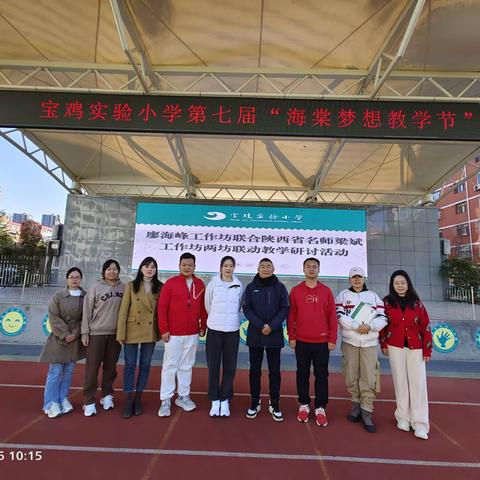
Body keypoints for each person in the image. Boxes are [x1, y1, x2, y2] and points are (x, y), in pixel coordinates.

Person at [379, 270, 433, 440]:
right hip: (394, 347)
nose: (400, 286)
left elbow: (426, 327)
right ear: (392, 285)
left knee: (418, 385)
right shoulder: (387, 302)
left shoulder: (417, 304)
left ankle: (420, 423)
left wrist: (427, 349)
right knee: (400, 383)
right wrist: (383, 344)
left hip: (415, 348)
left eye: (402, 282)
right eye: (396, 283)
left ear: (408, 283)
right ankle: (403, 417)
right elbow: (382, 325)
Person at [335, 266, 387, 433]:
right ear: (349, 279)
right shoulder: (343, 295)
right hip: (350, 342)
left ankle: (367, 410)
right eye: (353, 277)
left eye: (360, 277)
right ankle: (355, 404)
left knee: (369, 377)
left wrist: (370, 327)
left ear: (364, 278)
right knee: (351, 376)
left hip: (369, 343)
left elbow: (383, 317)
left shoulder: (373, 296)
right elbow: (339, 315)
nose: (357, 280)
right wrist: (356, 326)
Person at [287, 258, 337, 427]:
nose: (311, 269)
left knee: (321, 375)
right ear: (303, 269)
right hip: (301, 340)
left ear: (319, 270)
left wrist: (332, 338)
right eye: (308, 266)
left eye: (314, 267)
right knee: (302, 373)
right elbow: (291, 316)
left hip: (322, 341)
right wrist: (291, 337)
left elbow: (332, 317)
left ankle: (320, 407)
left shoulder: (326, 291)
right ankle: (304, 403)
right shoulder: (295, 291)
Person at [157, 252, 207, 417]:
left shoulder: (200, 284)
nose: (187, 267)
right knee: (170, 366)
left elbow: (203, 308)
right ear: (179, 266)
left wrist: (203, 326)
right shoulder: (170, 284)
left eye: (190, 265)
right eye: (184, 264)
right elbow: (162, 308)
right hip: (173, 334)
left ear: (195, 266)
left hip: (192, 333)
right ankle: (166, 399)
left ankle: (183, 396)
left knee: (186, 366)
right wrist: (163, 329)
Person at [242, 258, 289, 422]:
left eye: (268, 266)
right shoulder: (250, 287)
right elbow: (246, 309)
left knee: (274, 372)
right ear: (258, 268)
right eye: (263, 266)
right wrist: (261, 325)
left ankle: (274, 403)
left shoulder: (280, 287)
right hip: (256, 335)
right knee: (254, 371)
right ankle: (255, 402)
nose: (266, 269)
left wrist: (272, 325)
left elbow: (285, 308)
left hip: (274, 335)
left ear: (273, 268)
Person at [117, 257, 163, 419]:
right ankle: (128, 398)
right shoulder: (131, 285)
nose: (150, 269)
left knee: (145, 365)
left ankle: (138, 398)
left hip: (150, 330)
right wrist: (120, 333)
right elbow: (123, 310)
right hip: (131, 329)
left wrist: (162, 331)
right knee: (130, 365)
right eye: (147, 266)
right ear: (141, 269)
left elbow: (161, 312)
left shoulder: (160, 287)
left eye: (153, 267)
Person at [39, 267, 86, 418]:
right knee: (55, 372)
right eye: (72, 277)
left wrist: (76, 333)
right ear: (67, 279)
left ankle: (62, 398)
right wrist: (65, 334)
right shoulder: (58, 296)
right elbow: (53, 316)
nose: (74, 279)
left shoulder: (85, 296)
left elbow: (86, 317)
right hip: (59, 339)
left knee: (69, 372)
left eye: (77, 277)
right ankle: (50, 403)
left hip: (75, 339)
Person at [81, 259, 125, 417]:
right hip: (96, 334)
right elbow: (86, 311)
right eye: (109, 269)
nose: (112, 272)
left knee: (110, 369)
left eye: (115, 269)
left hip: (115, 335)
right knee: (92, 369)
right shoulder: (96, 287)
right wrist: (85, 332)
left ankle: (106, 395)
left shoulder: (124, 287)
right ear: (104, 271)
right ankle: (89, 400)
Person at [205, 256, 244, 417]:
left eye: (231, 265)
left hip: (232, 331)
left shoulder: (239, 285)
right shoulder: (213, 283)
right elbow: (208, 304)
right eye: (225, 265)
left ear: (234, 268)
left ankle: (224, 399)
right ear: (220, 267)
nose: (228, 268)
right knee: (213, 366)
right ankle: (214, 399)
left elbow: (240, 305)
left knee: (230, 367)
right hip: (214, 329)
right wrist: (216, 319)